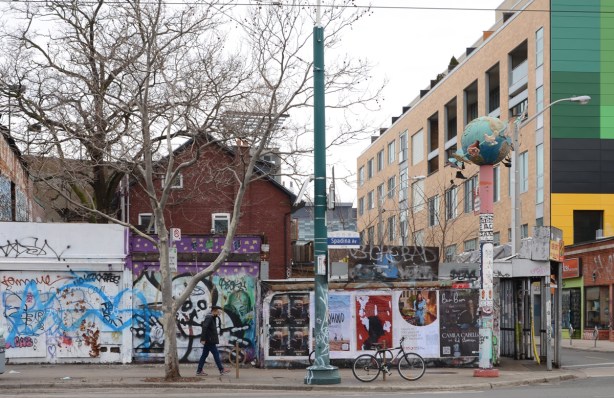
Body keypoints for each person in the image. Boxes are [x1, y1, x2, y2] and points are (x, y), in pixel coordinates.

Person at [196, 305, 230, 376]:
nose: (219, 313)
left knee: (204, 355)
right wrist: (203, 339)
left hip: (209, 340)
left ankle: (199, 370)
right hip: (209, 340)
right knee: (216, 354)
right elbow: (204, 327)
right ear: (214, 311)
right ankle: (221, 369)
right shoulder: (209, 317)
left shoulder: (213, 318)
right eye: (218, 312)